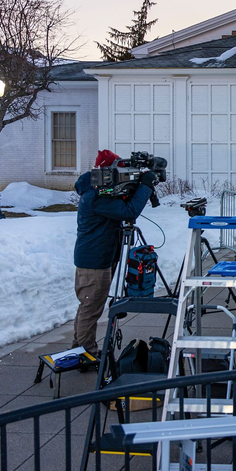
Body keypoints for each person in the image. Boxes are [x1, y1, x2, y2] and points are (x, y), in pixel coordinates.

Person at [72, 150, 155, 355]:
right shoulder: (95, 196)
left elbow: (124, 204)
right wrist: (145, 186)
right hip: (94, 261)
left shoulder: (98, 190)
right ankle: (85, 352)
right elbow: (129, 211)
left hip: (100, 256)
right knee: (91, 308)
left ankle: (79, 348)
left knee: (88, 306)